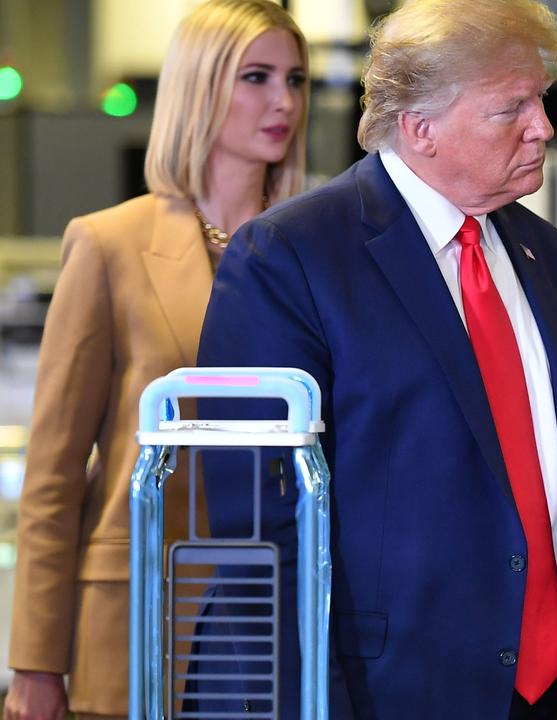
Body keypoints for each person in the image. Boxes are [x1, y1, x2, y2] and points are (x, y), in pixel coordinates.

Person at [193, 1, 557, 718]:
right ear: (420, 126)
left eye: (543, 101)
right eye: (511, 108)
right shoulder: (292, 256)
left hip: (555, 684)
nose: (544, 128)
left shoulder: (544, 253)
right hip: (388, 691)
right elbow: (261, 535)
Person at [4, 2, 308, 719]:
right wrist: (35, 665)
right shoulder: (109, 244)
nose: (285, 102)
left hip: (282, 613)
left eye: (294, 79)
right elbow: (53, 474)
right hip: (139, 609)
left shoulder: (313, 249)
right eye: (256, 77)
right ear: (198, 86)